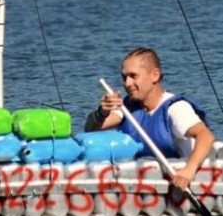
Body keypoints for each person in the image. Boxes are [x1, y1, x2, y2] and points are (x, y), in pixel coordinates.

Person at [85, 47, 214, 191]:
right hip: (145, 183)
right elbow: (91, 129)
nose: (126, 83)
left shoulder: (176, 108)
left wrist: (189, 171)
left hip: (180, 183)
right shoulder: (127, 107)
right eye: (124, 77)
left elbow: (205, 136)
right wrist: (102, 112)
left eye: (133, 76)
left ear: (155, 75)